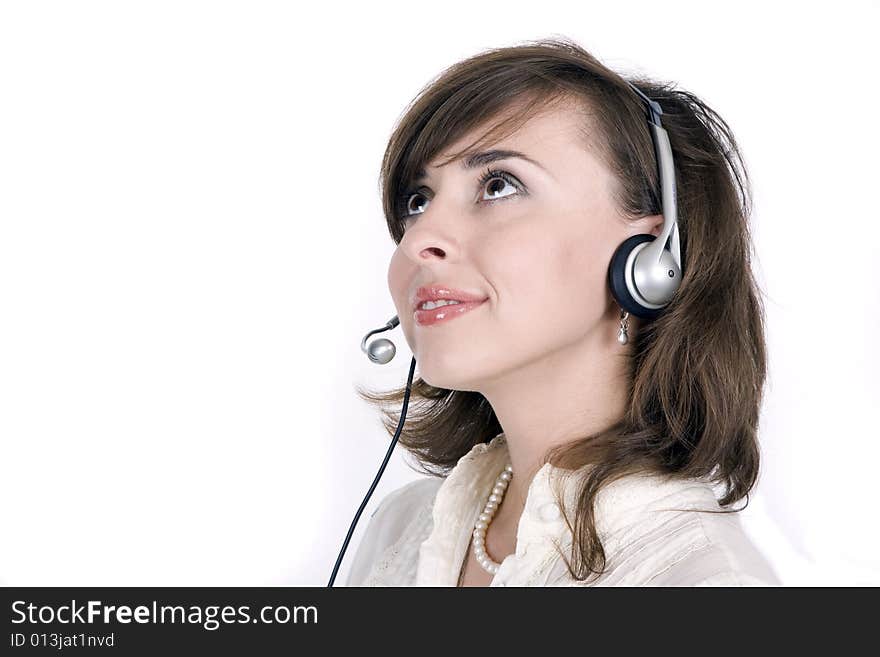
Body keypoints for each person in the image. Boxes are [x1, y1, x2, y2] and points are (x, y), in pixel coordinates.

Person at [345, 37, 781, 586]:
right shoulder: (402, 528)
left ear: (650, 261)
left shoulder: (702, 581)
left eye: (499, 184)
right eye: (418, 201)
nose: (418, 240)